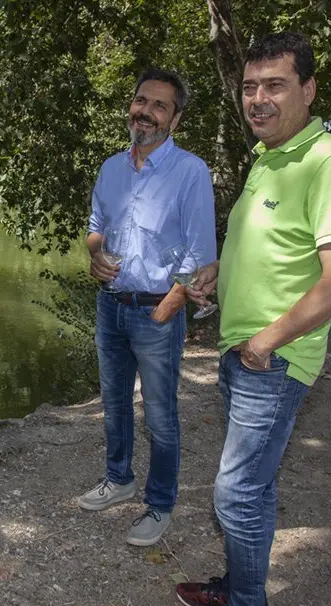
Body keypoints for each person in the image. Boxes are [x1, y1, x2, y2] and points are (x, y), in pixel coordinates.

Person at [177, 32, 331, 606]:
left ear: (308, 90)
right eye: (250, 86)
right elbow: (269, 249)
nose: (257, 99)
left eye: (275, 85)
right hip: (245, 353)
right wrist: (217, 273)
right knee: (249, 492)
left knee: (236, 495)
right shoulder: (266, 157)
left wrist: (265, 342)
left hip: (274, 360)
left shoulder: (329, 161)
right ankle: (236, 588)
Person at [79, 68, 216, 548]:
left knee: (160, 415)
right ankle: (119, 480)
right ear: (130, 106)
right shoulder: (110, 168)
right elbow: (96, 226)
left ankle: (159, 505)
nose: (147, 111)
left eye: (160, 105)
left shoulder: (191, 172)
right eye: (141, 100)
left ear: (175, 119)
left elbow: (202, 255)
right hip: (110, 306)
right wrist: (95, 255)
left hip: (157, 310)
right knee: (113, 404)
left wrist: (168, 307)